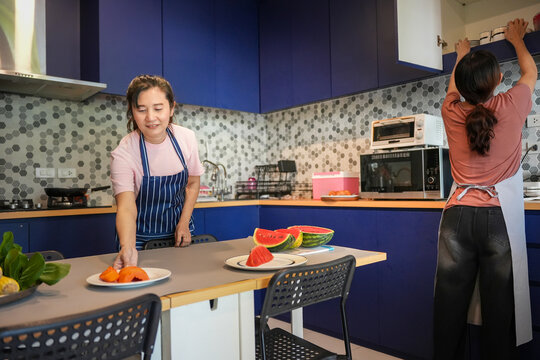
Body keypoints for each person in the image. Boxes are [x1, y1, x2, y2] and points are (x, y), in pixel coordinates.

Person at [434, 18, 537, 359]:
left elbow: (453, 89)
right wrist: (518, 40)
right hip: (498, 222)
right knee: (498, 309)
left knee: (449, 306)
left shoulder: (450, 111)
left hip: (457, 219)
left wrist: (462, 54)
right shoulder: (511, 104)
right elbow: (530, 73)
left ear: (462, 87)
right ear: (497, 81)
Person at [110, 75, 204, 270]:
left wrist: (184, 223)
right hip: (139, 240)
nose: (150, 117)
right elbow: (126, 207)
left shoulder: (186, 138)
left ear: (171, 108)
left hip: (180, 236)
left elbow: (193, 184)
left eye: (158, 108)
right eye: (141, 109)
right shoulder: (125, 152)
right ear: (132, 112)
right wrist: (128, 247)